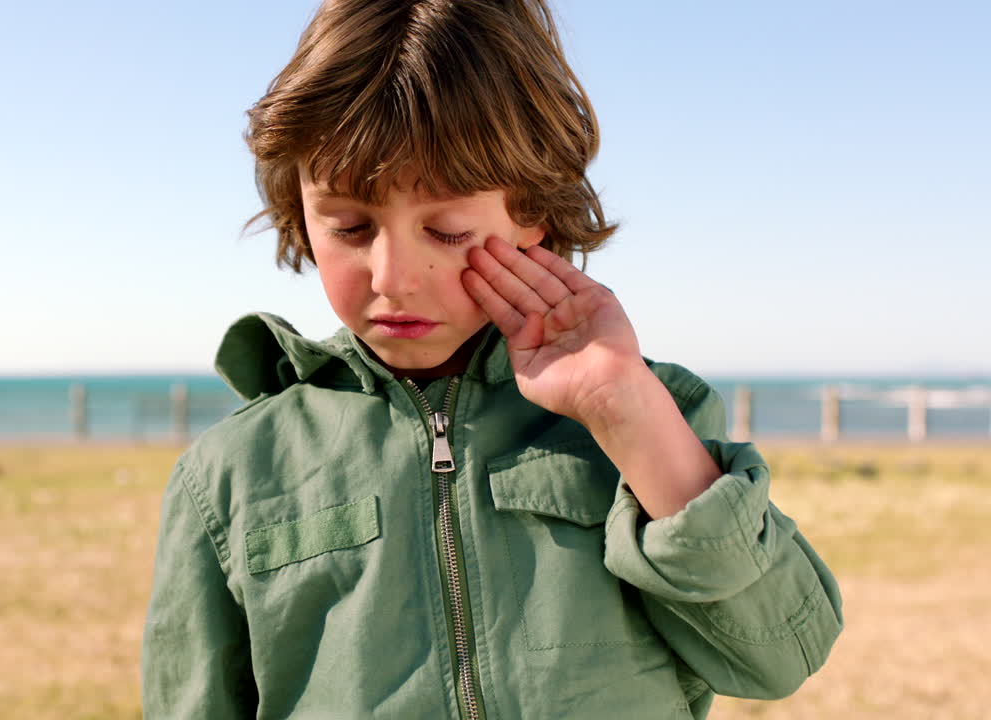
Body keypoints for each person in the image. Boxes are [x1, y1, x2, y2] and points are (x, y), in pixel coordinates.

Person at [141, 0, 844, 717]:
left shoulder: (650, 417)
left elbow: (781, 655)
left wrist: (626, 414)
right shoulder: (228, 474)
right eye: (350, 226)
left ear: (532, 209)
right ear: (300, 206)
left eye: (445, 230)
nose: (392, 276)